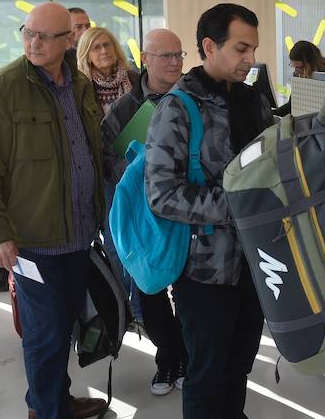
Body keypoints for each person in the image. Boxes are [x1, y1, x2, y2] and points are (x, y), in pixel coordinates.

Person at [0, 2, 107, 419]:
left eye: (45, 36)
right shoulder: (3, 88)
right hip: (32, 241)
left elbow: (88, 152)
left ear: (69, 40)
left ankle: (53, 400)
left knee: (64, 327)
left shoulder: (78, 85)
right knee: (45, 335)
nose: (34, 42)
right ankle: (47, 412)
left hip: (78, 232)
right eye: (28, 32)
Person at [145, 3, 273, 419]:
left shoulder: (255, 103)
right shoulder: (179, 108)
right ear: (208, 46)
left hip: (255, 265)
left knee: (238, 368)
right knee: (207, 375)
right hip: (204, 271)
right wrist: (238, 208)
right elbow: (162, 194)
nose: (250, 59)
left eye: (252, 49)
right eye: (240, 49)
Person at [100, 28, 188, 396]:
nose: (174, 63)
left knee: (188, 292)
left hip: (188, 213)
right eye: (165, 56)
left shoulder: (195, 101)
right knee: (148, 291)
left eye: (179, 55)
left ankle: (185, 358)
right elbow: (105, 156)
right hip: (145, 217)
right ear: (145, 60)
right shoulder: (126, 108)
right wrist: (140, 172)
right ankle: (169, 358)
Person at [76, 27, 139, 115]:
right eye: (96, 48)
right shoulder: (81, 87)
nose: (104, 51)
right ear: (87, 56)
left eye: (107, 45)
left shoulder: (135, 79)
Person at [273, 40, 325, 117]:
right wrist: (272, 113)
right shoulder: (298, 75)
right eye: (295, 68)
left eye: (300, 68)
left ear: (312, 63)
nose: (298, 73)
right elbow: (291, 105)